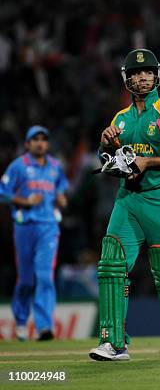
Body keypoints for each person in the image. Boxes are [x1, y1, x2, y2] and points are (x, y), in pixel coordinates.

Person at [89, 49, 160, 361]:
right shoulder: (120, 119)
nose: (142, 77)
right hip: (128, 199)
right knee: (111, 264)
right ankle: (113, 342)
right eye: (136, 73)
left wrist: (149, 162)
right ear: (126, 78)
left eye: (147, 72)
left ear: (157, 75)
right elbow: (111, 161)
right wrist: (106, 144)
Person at [0, 125, 69, 341]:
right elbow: (3, 194)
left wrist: (61, 198)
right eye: (35, 139)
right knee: (26, 280)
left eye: (43, 139)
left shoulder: (55, 167)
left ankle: (44, 327)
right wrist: (25, 201)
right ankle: (21, 320)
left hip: (48, 226)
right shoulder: (18, 166)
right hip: (25, 226)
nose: (40, 142)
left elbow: (61, 189)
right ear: (28, 144)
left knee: (45, 276)